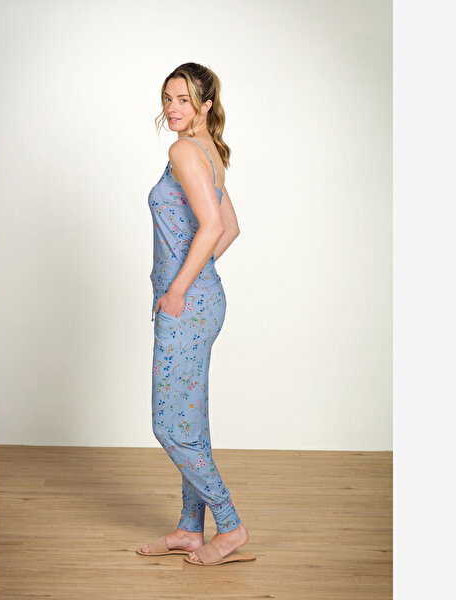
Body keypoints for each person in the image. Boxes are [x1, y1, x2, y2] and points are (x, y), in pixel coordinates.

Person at [137, 63, 255, 566]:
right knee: (191, 420)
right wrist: (196, 277)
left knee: (169, 426)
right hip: (205, 300)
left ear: (205, 104)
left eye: (183, 99)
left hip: (187, 305)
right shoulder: (209, 152)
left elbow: (212, 227)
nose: (172, 108)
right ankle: (190, 529)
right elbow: (230, 227)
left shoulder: (184, 151)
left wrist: (178, 288)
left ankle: (229, 527)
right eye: (167, 98)